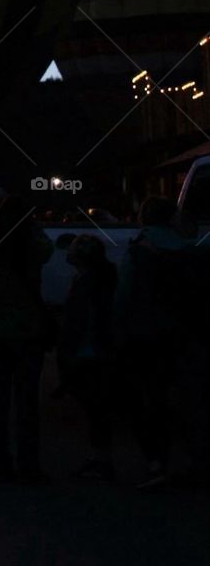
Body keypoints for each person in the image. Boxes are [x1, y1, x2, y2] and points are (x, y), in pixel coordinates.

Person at [0, 195, 54, 482]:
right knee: (27, 402)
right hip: (28, 329)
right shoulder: (34, 246)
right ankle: (29, 464)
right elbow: (47, 246)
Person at [114, 195, 191, 490]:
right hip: (182, 331)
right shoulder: (188, 248)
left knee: (145, 398)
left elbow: (124, 295)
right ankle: (186, 459)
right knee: (178, 396)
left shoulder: (140, 249)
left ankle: (156, 461)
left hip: (144, 333)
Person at [57, 234, 118, 480]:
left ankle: (102, 461)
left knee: (95, 407)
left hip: (88, 352)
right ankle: (101, 458)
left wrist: (67, 352)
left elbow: (77, 322)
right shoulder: (103, 278)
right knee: (97, 407)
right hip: (99, 350)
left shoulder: (86, 283)